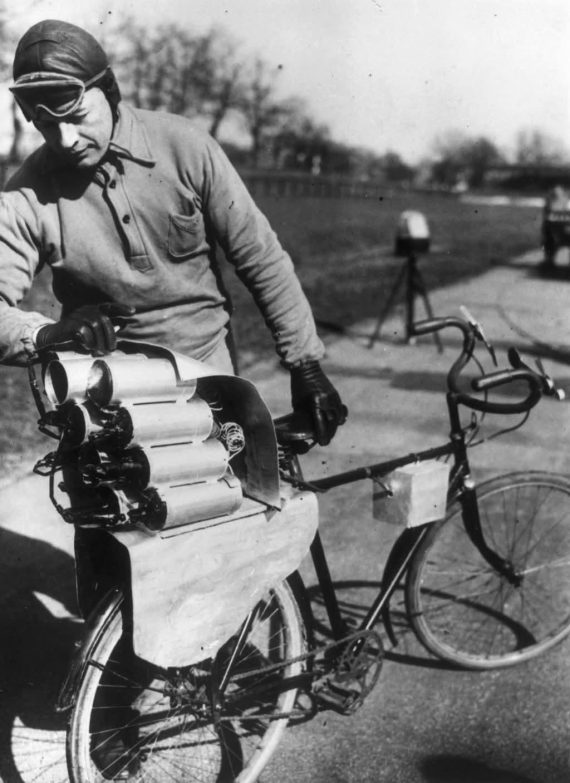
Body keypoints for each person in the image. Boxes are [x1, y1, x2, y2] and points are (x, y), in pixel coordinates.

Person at [1, 18, 346, 446]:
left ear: (109, 91)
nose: (65, 139)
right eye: (47, 125)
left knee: (223, 499)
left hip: (209, 377)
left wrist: (305, 365)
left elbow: (260, 257)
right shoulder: (26, 192)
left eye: (77, 117)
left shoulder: (186, 146)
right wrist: (48, 334)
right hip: (102, 395)